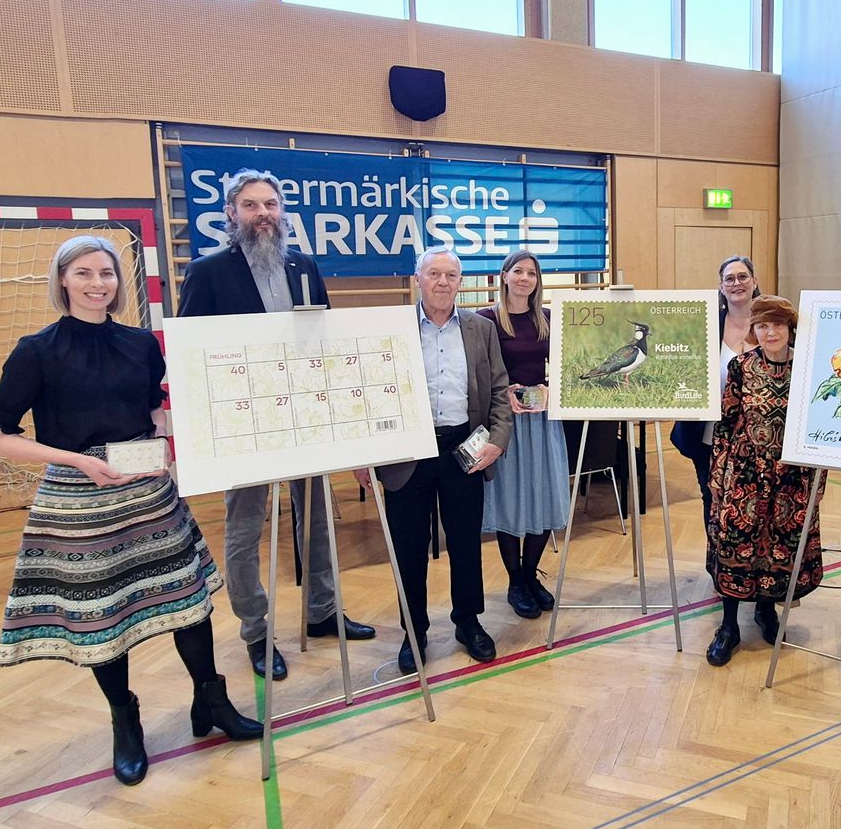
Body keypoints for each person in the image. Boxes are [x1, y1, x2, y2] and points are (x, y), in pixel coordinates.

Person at [0, 236, 262, 787]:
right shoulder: (37, 350)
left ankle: (212, 703)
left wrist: (163, 445)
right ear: (63, 280)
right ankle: (126, 723)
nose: (97, 283)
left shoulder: (139, 342)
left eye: (106, 273)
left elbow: (154, 409)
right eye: (84, 273)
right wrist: (79, 463)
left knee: (189, 602)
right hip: (80, 498)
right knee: (105, 616)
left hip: (147, 489)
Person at [178, 169, 375, 681]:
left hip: (304, 417)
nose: (262, 213)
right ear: (231, 214)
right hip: (244, 426)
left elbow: (325, 339)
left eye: (270, 204)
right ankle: (256, 632)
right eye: (250, 205)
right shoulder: (207, 272)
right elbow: (191, 357)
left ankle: (323, 611)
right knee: (245, 530)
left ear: (281, 211)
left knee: (317, 520)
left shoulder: (303, 266)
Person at [357, 247, 513, 674]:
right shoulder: (392, 328)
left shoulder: (481, 329)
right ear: (417, 279)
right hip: (408, 454)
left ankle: (468, 621)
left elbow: (499, 391)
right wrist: (362, 458)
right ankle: (414, 631)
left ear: (461, 282)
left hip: (465, 449)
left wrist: (497, 441)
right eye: (434, 274)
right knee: (409, 548)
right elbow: (369, 392)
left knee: (466, 542)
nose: (443, 282)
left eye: (451, 275)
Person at [704, 295, 826, 666]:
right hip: (743, 473)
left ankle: (766, 610)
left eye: (776, 324)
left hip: (792, 477)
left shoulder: (810, 368)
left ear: (790, 328)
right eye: (762, 326)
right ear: (754, 330)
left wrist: (817, 478)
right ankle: (728, 626)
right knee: (735, 543)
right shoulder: (741, 366)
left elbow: (820, 425)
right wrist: (719, 474)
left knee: (779, 548)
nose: (770, 332)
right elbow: (726, 422)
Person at [477, 251, 569, 618]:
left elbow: (567, 369)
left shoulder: (549, 320)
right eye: (518, 271)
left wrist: (549, 388)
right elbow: (480, 374)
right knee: (510, 499)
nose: (525, 278)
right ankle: (515, 580)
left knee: (543, 496)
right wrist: (504, 393)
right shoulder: (486, 321)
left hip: (544, 421)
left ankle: (531, 574)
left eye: (532, 273)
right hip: (506, 423)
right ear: (504, 276)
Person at [671, 255, 761, 530]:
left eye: (743, 276)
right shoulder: (704, 327)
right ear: (721, 287)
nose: (737, 283)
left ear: (754, 282)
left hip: (760, 439)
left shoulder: (772, 327)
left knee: (755, 504)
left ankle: (749, 568)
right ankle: (717, 567)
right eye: (729, 279)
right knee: (712, 499)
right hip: (709, 437)